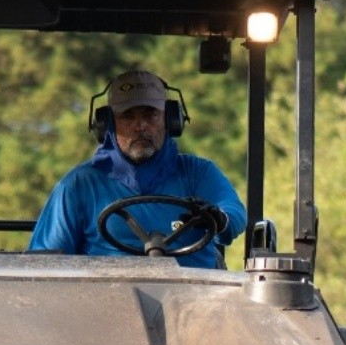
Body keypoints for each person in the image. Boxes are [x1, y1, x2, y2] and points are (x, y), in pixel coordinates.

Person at [29, 70, 247, 268]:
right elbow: (44, 261)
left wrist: (218, 217)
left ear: (170, 120)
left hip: (194, 300)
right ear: (108, 124)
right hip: (105, 303)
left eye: (150, 114)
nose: (140, 126)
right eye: (127, 116)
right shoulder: (78, 186)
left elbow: (234, 212)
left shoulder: (198, 173)